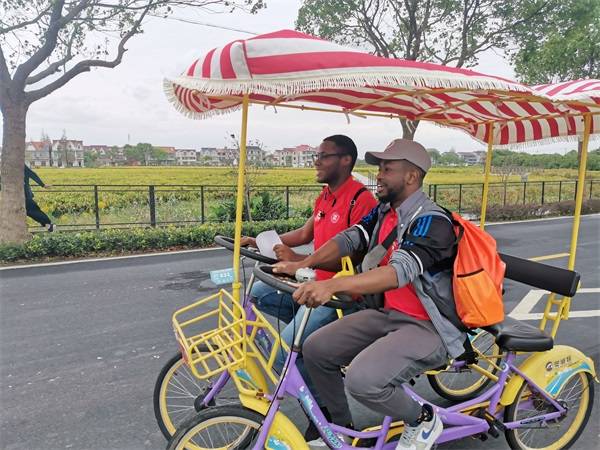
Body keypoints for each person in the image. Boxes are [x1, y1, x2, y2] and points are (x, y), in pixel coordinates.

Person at [274, 139, 465, 450]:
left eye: (387, 169)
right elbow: (350, 238)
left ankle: (423, 419)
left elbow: (398, 272)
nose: (378, 176)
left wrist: (331, 285)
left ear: (411, 176)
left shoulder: (432, 221)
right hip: (386, 315)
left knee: (361, 381)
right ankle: (341, 429)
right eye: (379, 169)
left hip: (427, 326)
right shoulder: (384, 211)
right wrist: (303, 264)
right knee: (316, 349)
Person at [241, 135, 377, 439]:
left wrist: (300, 261)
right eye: (317, 155)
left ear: (345, 160)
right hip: (313, 282)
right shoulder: (326, 195)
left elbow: (357, 258)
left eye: (324, 155)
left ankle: (330, 418)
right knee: (260, 294)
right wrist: (262, 241)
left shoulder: (361, 200)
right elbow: (305, 233)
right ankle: (314, 348)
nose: (316, 161)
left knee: (284, 352)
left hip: (340, 293)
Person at [24, 165, 55, 232]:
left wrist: (42, 184)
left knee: (31, 210)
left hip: (24, 193)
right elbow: (32, 174)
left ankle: (48, 224)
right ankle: (47, 224)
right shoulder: (17, 164)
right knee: (31, 210)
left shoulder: (16, 164)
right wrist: (42, 185)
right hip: (23, 194)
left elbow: (31, 174)